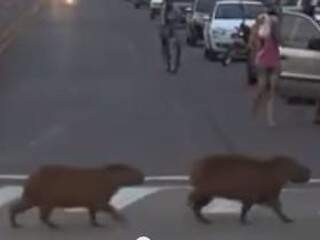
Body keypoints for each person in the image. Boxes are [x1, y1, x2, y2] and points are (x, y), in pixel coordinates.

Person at [252, 10, 281, 127]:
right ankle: (256, 102)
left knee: (271, 91)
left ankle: (270, 118)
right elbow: (257, 42)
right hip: (264, 60)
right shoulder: (263, 30)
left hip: (274, 59)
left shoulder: (275, 31)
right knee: (262, 87)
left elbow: (280, 40)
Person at [159, 0, 181, 73]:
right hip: (165, 31)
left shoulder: (175, 9)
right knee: (165, 49)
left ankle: (173, 66)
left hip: (173, 31)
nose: (168, 3)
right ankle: (167, 64)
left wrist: (174, 21)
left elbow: (179, 17)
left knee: (174, 48)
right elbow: (162, 22)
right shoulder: (163, 8)